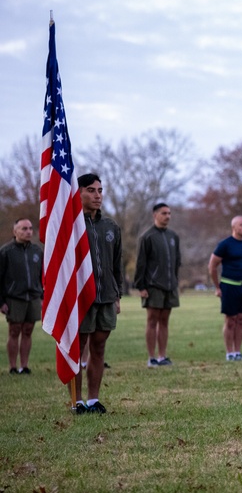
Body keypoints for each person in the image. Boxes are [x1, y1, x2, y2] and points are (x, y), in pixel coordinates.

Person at [73, 173, 123, 414]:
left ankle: (93, 399)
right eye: (91, 190)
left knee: (99, 347)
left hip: (106, 296)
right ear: (79, 192)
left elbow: (116, 265)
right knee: (78, 346)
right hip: (80, 298)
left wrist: (118, 295)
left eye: (100, 190)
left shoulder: (111, 226)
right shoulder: (70, 224)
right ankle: (77, 401)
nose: (97, 195)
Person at [134, 203, 181, 367]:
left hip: (170, 286)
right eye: (164, 213)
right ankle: (151, 358)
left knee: (165, 321)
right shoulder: (147, 237)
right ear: (155, 215)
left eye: (169, 213)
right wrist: (141, 286)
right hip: (153, 286)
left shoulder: (173, 236)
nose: (167, 216)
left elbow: (177, 262)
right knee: (152, 321)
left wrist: (175, 282)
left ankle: (162, 356)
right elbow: (141, 263)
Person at [0, 219, 43, 375]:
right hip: (14, 297)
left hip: (33, 297)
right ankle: (12, 366)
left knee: (28, 330)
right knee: (14, 330)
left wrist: (42, 296)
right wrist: (1, 302)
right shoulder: (5, 252)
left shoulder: (37, 251)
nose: (28, 232)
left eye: (30, 228)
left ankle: (24, 366)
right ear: (15, 231)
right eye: (24, 228)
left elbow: (42, 276)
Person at [209, 216, 242, 362]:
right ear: (234, 227)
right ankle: (229, 352)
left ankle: (237, 351)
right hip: (229, 286)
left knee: (241, 319)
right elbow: (212, 266)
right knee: (231, 320)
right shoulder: (225, 245)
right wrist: (217, 287)